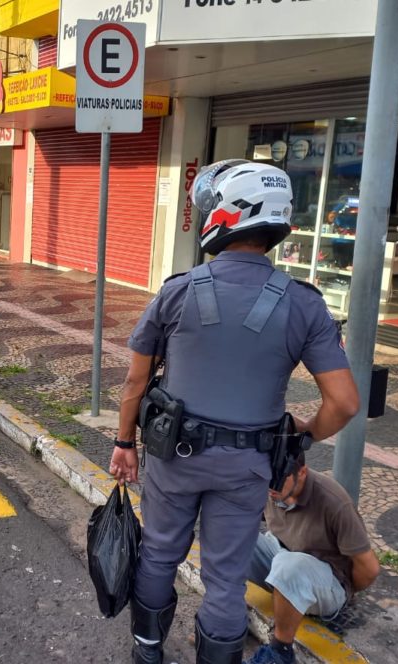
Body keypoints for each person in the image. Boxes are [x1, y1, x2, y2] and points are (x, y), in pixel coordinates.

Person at [109, 159, 360, 664]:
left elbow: (137, 379)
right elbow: (345, 403)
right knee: (224, 577)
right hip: (247, 466)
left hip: (172, 456)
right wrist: (305, 435)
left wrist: (122, 442)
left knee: (159, 554)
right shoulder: (305, 304)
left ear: (225, 214)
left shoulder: (178, 290)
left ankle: (148, 651)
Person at [246, 453, 380, 664]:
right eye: (268, 478)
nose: (272, 487)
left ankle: (280, 653)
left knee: (288, 567)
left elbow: (369, 568)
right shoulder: (268, 486)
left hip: (326, 579)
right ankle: (230, 618)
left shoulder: (334, 502)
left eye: (280, 479)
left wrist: (344, 594)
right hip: (284, 559)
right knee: (231, 536)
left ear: (302, 472)